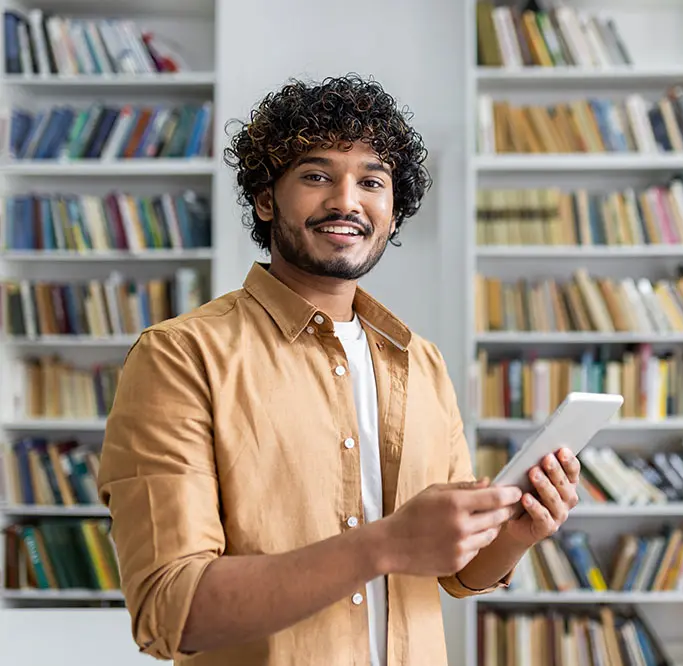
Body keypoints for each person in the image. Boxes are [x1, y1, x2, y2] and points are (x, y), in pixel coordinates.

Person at [97, 74, 581, 666]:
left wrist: (514, 534)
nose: (346, 202)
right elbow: (169, 611)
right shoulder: (180, 356)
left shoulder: (421, 362)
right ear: (267, 198)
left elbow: (455, 573)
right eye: (317, 175)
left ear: (393, 214)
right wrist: (382, 545)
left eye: (371, 182)